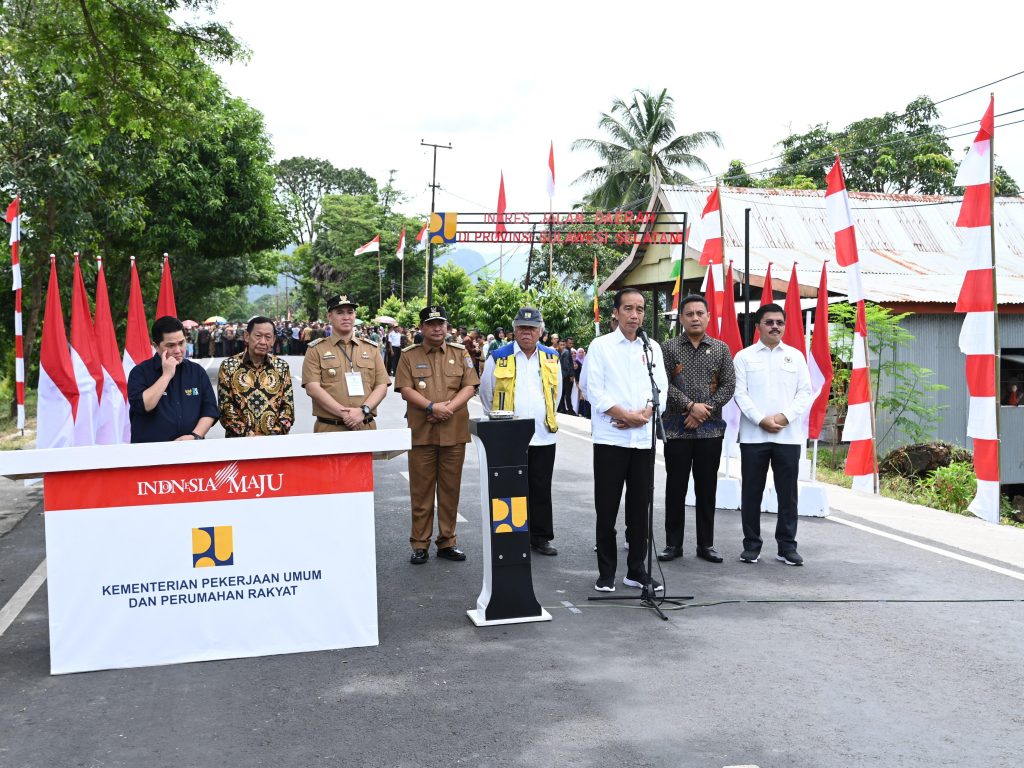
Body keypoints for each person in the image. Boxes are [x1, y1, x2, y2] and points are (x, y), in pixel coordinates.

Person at [586, 288, 668, 593]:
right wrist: (624, 414)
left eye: (640, 309)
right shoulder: (601, 346)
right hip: (611, 439)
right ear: (616, 313)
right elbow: (594, 390)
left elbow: (661, 387)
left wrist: (644, 414)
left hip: (643, 440)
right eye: (629, 309)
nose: (635, 315)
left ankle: (636, 570)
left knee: (639, 508)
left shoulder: (652, 348)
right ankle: (606, 572)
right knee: (606, 509)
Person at [395, 305, 480, 565]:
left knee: (450, 490)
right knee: (421, 492)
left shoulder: (460, 352)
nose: (437, 328)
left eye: (441, 323)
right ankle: (419, 544)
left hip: (454, 432)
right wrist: (432, 407)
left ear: (447, 326)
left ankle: (447, 541)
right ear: (422, 328)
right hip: (422, 431)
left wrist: (447, 409)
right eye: (431, 324)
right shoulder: (409, 355)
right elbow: (405, 388)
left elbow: (470, 386)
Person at [658, 295, 736, 564]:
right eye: (689, 314)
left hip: (710, 431)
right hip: (676, 430)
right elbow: (663, 384)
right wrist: (691, 406)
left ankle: (706, 544)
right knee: (675, 487)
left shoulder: (721, 349)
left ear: (708, 317)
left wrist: (704, 411)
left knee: (707, 488)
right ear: (681, 318)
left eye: (699, 313)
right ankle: (673, 544)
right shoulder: (667, 349)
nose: (694, 318)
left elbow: (728, 386)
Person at [733, 303, 813, 566]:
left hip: (787, 437)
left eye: (779, 322)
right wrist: (761, 420)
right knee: (751, 493)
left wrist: (783, 418)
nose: (775, 326)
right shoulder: (743, 357)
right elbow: (740, 393)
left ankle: (787, 546)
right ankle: (751, 545)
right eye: (769, 322)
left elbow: (805, 392)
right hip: (754, 436)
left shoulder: (796, 356)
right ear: (758, 326)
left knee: (787, 494)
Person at [479, 307, 562, 556]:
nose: (527, 333)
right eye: (522, 328)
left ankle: (540, 537)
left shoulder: (552, 357)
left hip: (543, 434)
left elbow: (555, 395)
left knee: (540, 487)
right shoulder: (498, 356)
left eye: (532, 328)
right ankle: (512, 535)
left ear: (541, 332)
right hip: (509, 435)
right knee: (510, 487)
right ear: (514, 330)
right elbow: (486, 393)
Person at [302, 295, 389, 433]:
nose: (346, 317)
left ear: (355, 315)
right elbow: (312, 388)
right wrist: (345, 414)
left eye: (350, 312)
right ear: (329, 316)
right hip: (330, 428)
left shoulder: (371, 349)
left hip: (365, 426)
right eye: (340, 312)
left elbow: (381, 386)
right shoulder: (316, 349)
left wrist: (363, 411)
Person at [127, 316, 219, 443]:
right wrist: (166, 375)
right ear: (156, 346)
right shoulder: (139, 373)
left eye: (181, 343)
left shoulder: (197, 372)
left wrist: (195, 435)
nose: (177, 350)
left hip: (191, 449)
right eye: (170, 345)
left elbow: (210, 410)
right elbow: (144, 406)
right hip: (151, 452)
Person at [217, 315, 295, 437]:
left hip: (275, 443)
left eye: (268, 337)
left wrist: (274, 434)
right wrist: (249, 436)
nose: (263, 342)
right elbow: (226, 408)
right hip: (239, 444)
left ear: (274, 340)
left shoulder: (281, 366)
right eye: (258, 336)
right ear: (247, 336)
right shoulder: (228, 366)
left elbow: (288, 408)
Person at [558, 336, 576, 414]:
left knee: (564, 393)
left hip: (564, 375)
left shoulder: (566, 351)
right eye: (569, 343)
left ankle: (563, 408)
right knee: (567, 393)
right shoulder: (566, 351)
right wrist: (571, 375)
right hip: (567, 376)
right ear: (566, 343)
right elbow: (567, 365)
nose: (571, 344)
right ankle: (570, 410)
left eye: (572, 343)